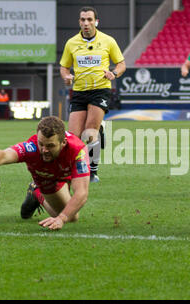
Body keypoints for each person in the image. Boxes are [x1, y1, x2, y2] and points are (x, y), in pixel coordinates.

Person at [0, 116, 90, 230]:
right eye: (41, 143)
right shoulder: (31, 147)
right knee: (73, 217)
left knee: (66, 215)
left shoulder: (78, 151)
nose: (44, 150)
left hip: (66, 171)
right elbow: (4, 155)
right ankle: (36, 192)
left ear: (63, 142)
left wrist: (62, 219)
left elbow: (81, 193)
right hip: (46, 177)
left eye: (50, 146)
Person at [60, 6, 126, 183]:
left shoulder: (108, 41)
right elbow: (64, 67)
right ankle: (76, 167)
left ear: (96, 21)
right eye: (83, 20)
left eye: (89, 19)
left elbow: (121, 63)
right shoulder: (71, 43)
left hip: (100, 90)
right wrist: (66, 77)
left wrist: (114, 73)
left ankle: (92, 172)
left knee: (89, 133)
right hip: (80, 91)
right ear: (79, 22)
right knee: (73, 137)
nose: (86, 23)